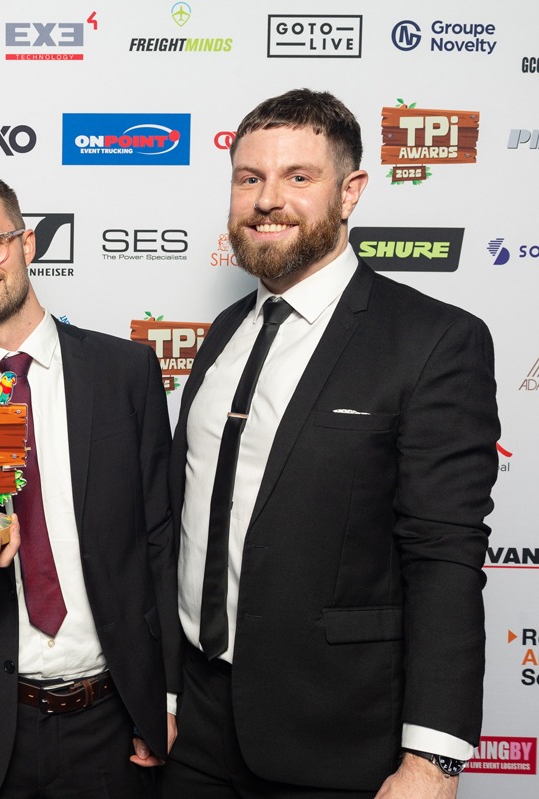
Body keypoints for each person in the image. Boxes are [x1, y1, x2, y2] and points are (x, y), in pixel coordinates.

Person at [164, 88, 499, 798]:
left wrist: (433, 758)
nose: (266, 200)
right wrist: (164, 688)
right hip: (196, 728)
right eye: (249, 178)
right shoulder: (225, 333)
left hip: (338, 740)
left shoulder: (434, 341)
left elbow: (444, 555)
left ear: (350, 192)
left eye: (298, 176)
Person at [0, 163, 179, 798]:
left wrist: (167, 696)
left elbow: (161, 541)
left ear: (28, 242)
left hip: (112, 721)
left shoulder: (125, 372)